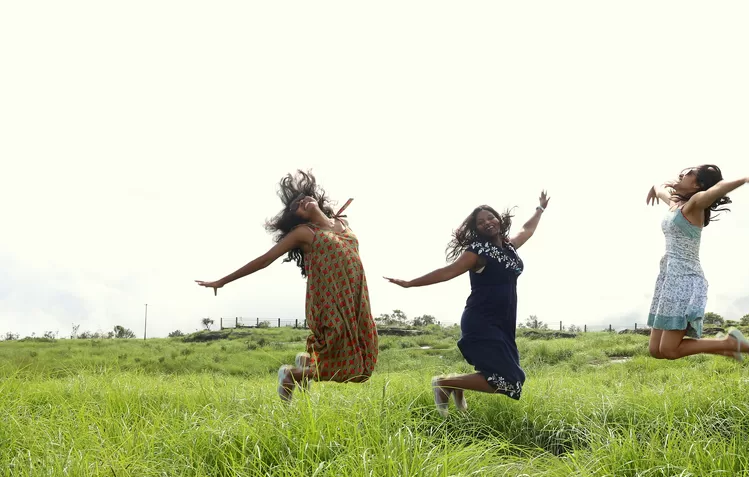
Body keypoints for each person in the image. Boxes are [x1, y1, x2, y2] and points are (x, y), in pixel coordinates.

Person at [196, 170, 378, 400]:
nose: (301, 202)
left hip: (357, 299)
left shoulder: (342, 222)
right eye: (296, 206)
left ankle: (304, 366)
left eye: (303, 198)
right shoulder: (305, 233)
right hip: (331, 301)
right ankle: (293, 375)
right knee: (350, 366)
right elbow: (264, 260)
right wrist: (222, 281)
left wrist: (327, 216)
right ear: (298, 219)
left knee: (365, 365)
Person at [385, 192, 550, 415]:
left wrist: (540, 209)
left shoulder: (509, 247)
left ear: (498, 220)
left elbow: (527, 230)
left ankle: (454, 384)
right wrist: (410, 283)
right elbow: (448, 271)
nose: (487, 223)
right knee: (510, 380)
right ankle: (445, 383)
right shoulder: (477, 252)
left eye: (490, 218)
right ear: (477, 229)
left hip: (503, 323)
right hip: (482, 320)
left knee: (510, 375)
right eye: (480, 223)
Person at [645, 165, 749, 361]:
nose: (682, 174)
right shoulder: (675, 204)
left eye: (688, 174)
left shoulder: (695, 204)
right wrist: (655, 186)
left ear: (697, 185)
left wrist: (746, 178)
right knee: (655, 351)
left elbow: (717, 189)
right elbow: (660, 190)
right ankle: (724, 348)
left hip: (685, 281)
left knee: (668, 350)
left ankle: (729, 343)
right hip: (668, 281)